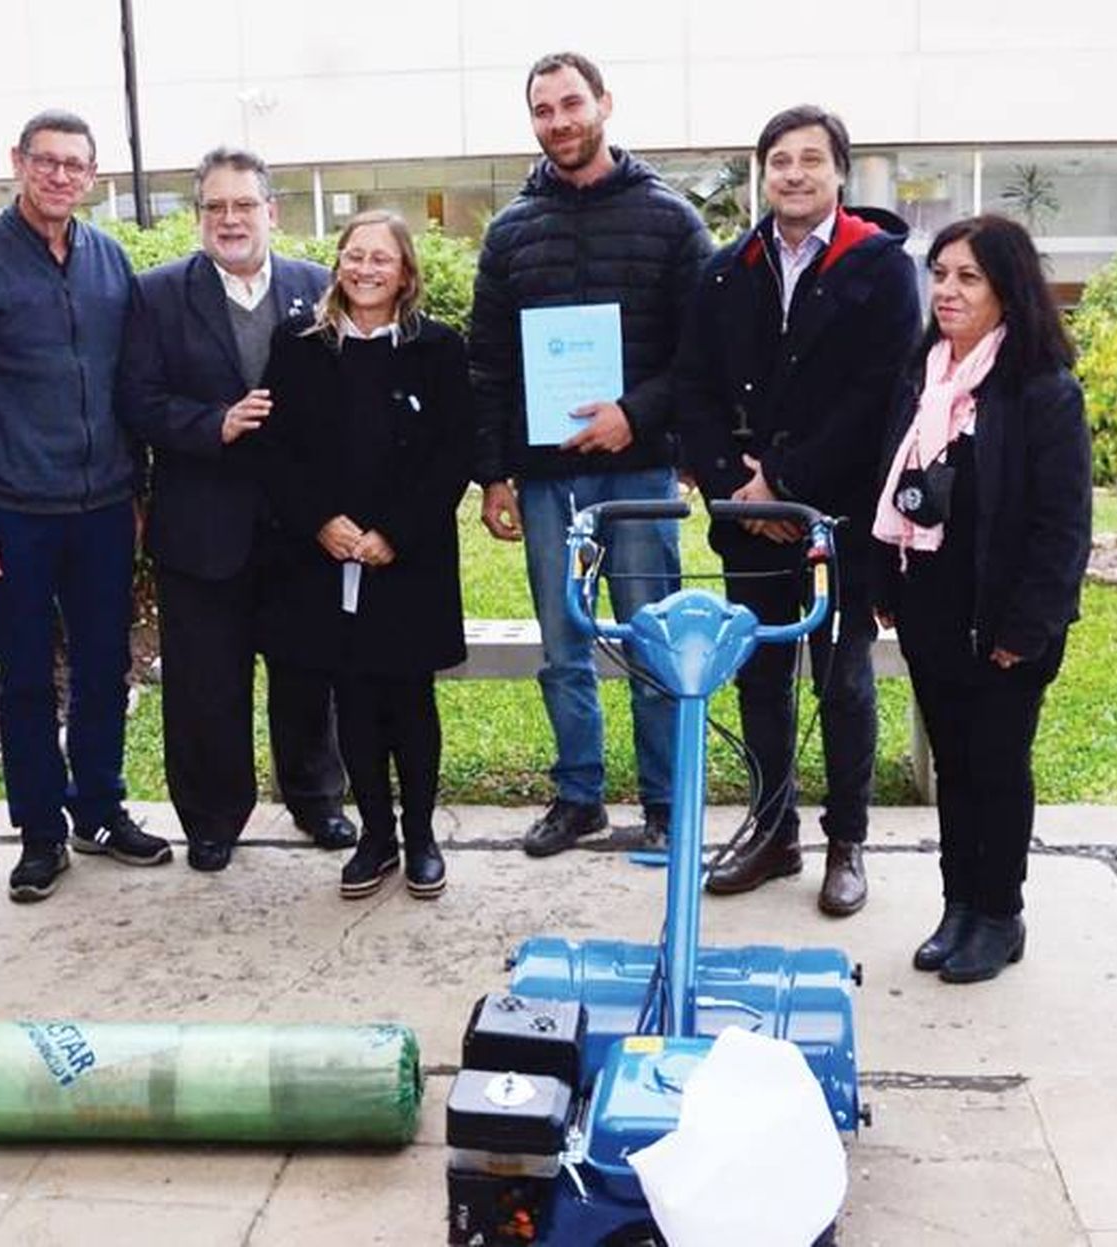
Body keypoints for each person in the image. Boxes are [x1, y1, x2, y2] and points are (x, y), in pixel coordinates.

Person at [677, 104, 920, 916]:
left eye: (811, 159)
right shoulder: (724, 270)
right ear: (763, 173)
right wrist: (738, 487)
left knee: (843, 679)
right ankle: (774, 830)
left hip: (840, 514)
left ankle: (847, 841)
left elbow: (878, 393)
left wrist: (786, 480)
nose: (794, 173)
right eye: (779, 160)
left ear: (840, 171)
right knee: (759, 672)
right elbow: (695, 390)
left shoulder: (881, 266)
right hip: (747, 514)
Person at [470, 51, 712, 857]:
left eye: (571, 104)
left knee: (650, 636)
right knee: (563, 642)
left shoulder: (670, 220)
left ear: (604, 103)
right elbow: (489, 364)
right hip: (546, 481)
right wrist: (492, 474)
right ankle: (578, 796)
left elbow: (701, 353)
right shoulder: (508, 233)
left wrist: (633, 416)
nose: (560, 122)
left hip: (638, 471)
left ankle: (667, 801)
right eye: (543, 111)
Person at [0, 110, 169, 902]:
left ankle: (98, 808)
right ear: (18, 164)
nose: (60, 176)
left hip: (102, 507)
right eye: (47, 162)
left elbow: (129, 390)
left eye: (75, 165)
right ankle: (39, 832)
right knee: (26, 677)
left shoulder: (109, 260)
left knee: (105, 666)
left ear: (91, 177)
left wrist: (136, 490)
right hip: (14, 513)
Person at [117, 147, 353, 873]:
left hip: (301, 530)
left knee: (307, 674)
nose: (231, 219)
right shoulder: (155, 296)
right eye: (215, 207)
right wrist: (212, 423)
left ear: (271, 213)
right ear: (198, 218)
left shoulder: (320, 290)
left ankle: (317, 798)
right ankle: (213, 818)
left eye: (244, 205)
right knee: (205, 684)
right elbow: (137, 400)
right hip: (203, 527)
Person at [874, 214, 1090, 982]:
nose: (947, 291)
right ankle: (958, 905)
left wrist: (1025, 627)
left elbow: (1063, 526)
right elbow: (891, 482)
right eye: (939, 274)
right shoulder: (923, 373)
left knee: (998, 766)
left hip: (1004, 621)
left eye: (968, 277)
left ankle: (1001, 913)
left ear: (1008, 290)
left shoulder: (1041, 390)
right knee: (957, 766)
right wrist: (883, 580)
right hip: (932, 606)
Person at [256, 211, 470, 899]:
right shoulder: (298, 344)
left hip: (408, 559)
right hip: (324, 557)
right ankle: (374, 835)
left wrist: (394, 533)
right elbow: (277, 449)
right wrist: (320, 521)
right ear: (337, 264)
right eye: (354, 255)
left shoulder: (438, 348)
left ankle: (421, 837)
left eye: (382, 258)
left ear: (405, 272)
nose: (366, 269)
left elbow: (450, 455)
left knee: (410, 701)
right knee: (351, 702)